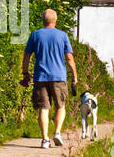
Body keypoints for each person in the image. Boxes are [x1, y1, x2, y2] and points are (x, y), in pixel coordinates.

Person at [21, 9, 78, 149]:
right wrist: (74, 76)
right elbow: (69, 58)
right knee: (61, 106)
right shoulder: (62, 35)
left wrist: (25, 72)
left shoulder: (35, 35)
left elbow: (27, 55)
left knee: (43, 108)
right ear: (55, 20)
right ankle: (57, 132)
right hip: (59, 76)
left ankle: (45, 139)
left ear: (43, 21)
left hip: (40, 77)